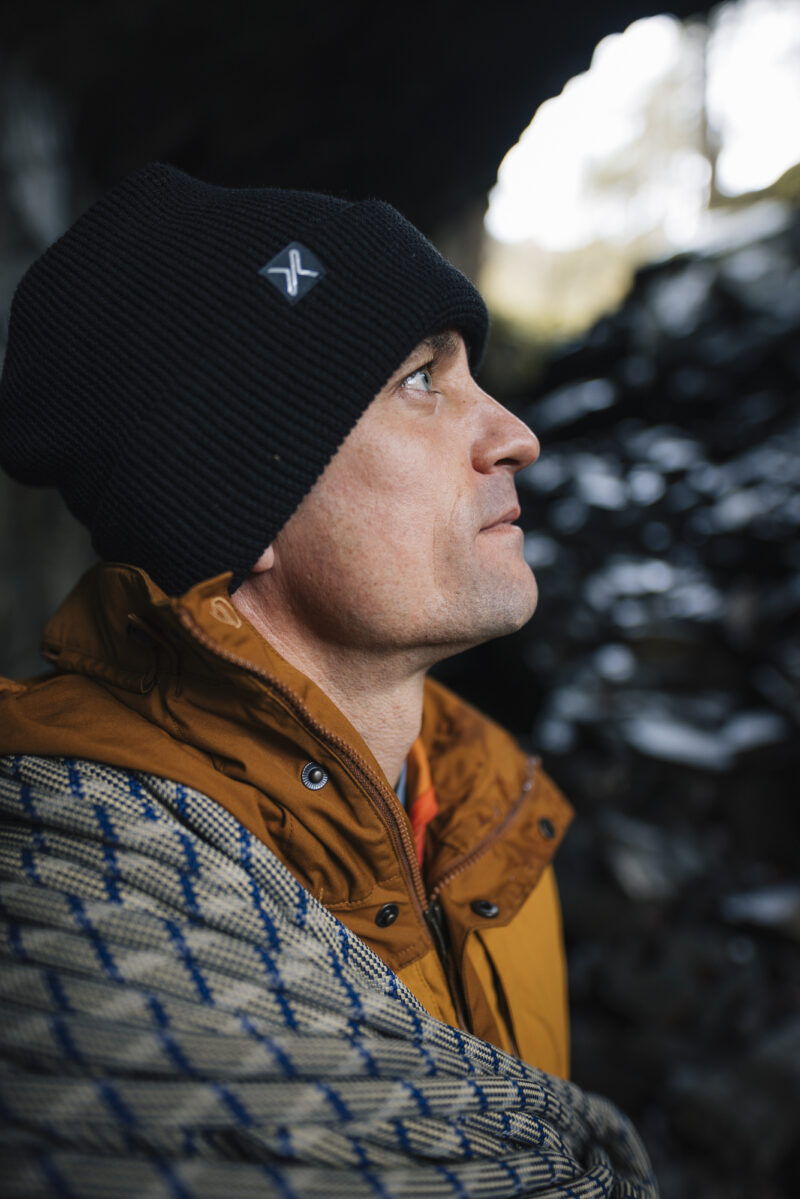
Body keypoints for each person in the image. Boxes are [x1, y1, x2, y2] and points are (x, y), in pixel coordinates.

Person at [0, 166, 653, 1199]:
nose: (514, 434)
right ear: (240, 505)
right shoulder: (72, 900)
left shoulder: (488, 813)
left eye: (468, 371)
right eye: (419, 381)